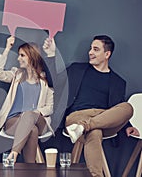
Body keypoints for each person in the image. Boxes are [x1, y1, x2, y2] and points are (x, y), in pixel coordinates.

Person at [43, 35, 140, 176]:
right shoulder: (77, 70)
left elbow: (117, 109)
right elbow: (54, 82)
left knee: (128, 107)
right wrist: (51, 54)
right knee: (94, 132)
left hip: (103, 119)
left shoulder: (118, 82)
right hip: (77, 116)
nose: (90, 52)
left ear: (107, 54)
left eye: (95, 49)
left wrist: (127, 126)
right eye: (90, 48)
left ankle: (85, 126)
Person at [0, 36, 54, 163]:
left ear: (32, 57)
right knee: (32, 130)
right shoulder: (17, 74)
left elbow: (50, 107)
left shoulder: (44, 80)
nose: (18, 58)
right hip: (13, 121)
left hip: (39, 120)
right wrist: (7, 48)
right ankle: (29, 167)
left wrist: (33, 114)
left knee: (29, 117)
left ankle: (13, 154)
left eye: (22, 55)